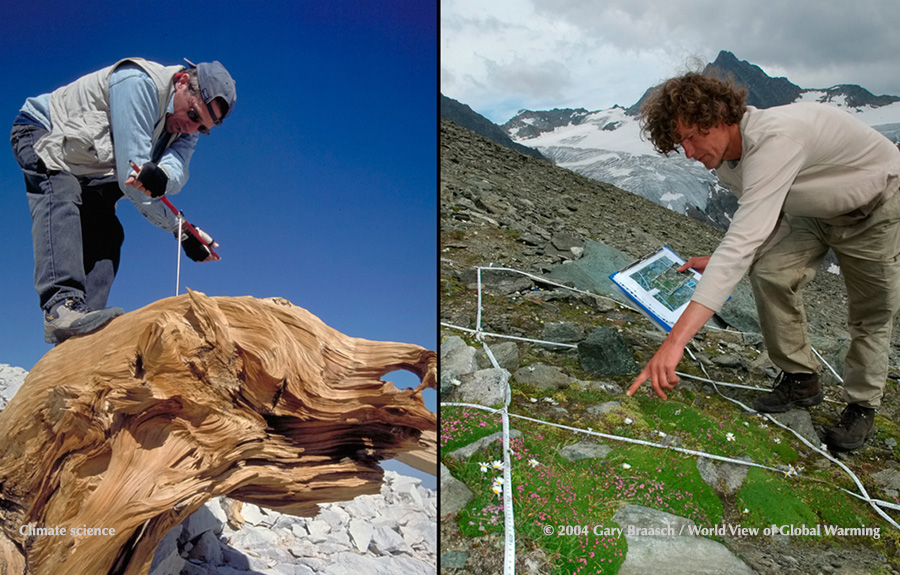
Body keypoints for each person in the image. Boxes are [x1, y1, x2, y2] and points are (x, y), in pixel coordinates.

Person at [627, 72, 900, 451]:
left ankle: (862, 406)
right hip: (808, 212)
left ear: (720, 115)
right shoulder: (725, 161)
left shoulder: (776, 139)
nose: (688, 152)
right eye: (679, 143)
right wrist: (719, 257)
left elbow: (743, 238)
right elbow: (763, 218)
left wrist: (674, 344)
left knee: (871, 313)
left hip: (873, 208)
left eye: (691, 136)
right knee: (770, 272)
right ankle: (801, 379)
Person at [11, 57, 236, 344]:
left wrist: (165, 183)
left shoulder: (188, 126)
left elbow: (178, 165)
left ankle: (83, 328)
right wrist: (175, 229)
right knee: (60, 192)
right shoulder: (139, 83)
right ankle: (62, 308)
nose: (192, 130)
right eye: (193, 116)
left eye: (203, 128)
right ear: (181, 82)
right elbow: (132, 182)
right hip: (45, 132)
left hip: (88, 166)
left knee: (107, 232)